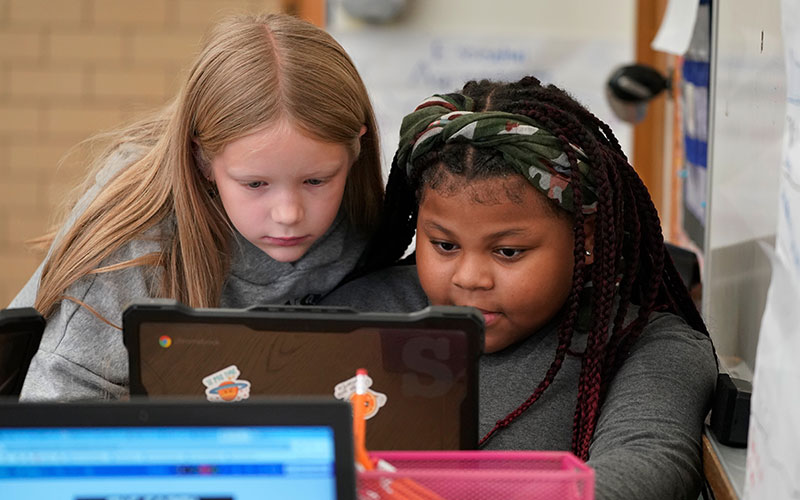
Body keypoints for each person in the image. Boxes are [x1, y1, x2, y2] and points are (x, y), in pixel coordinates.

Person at [322, 77, 717, 499]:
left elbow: (648, 463)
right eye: (444, 245)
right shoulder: (351, 318)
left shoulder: (645, 346)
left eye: (508, 251)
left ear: (584, 239)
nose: (470, 277)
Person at [10, 13, 384, 401]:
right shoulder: (135, 237)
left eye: (316, 181)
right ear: (202, 158)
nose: (288, 213)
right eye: (255, 184)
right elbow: (57, 408)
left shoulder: (376, 222)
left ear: (357, 148)